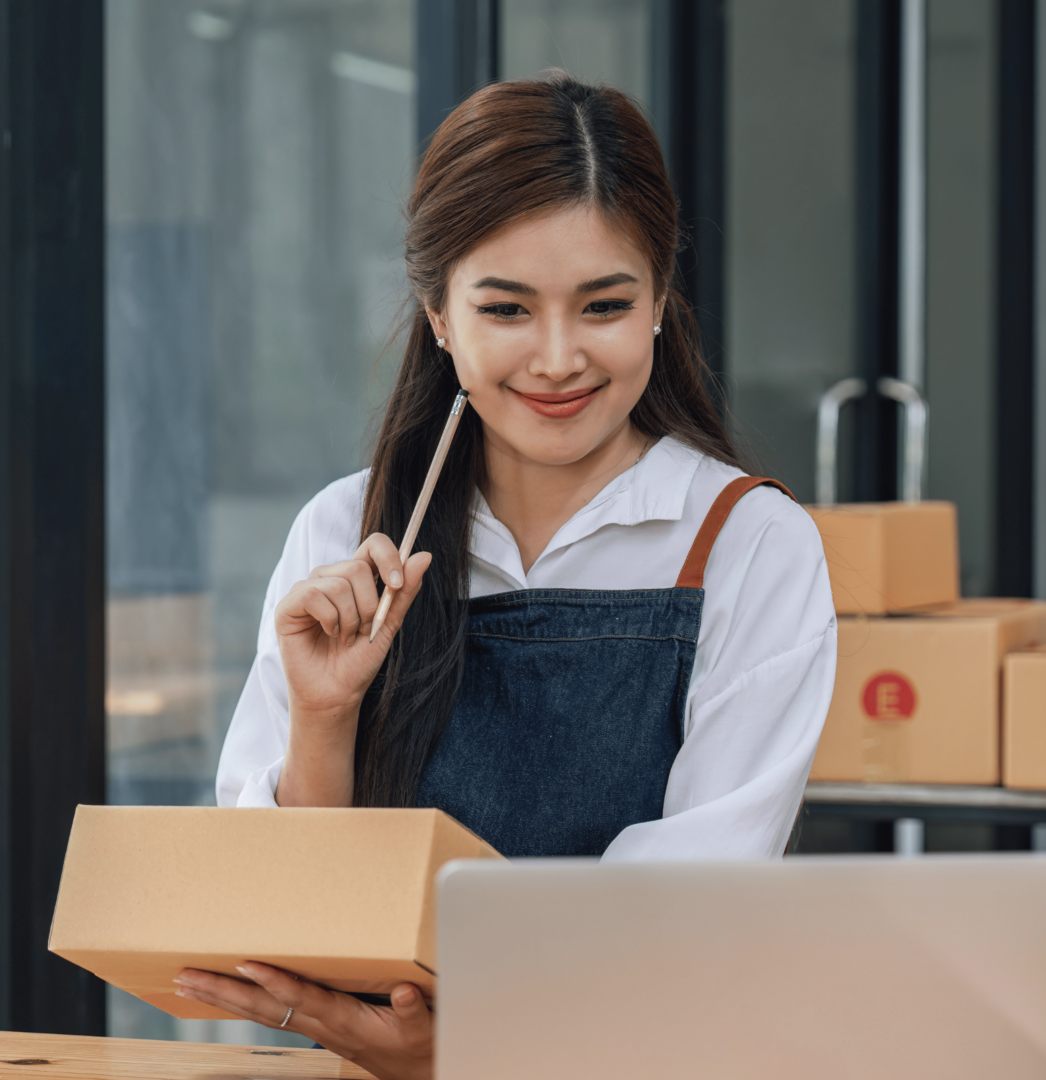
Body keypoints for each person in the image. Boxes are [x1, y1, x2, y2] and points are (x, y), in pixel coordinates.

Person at [174, 71, 836, 1080]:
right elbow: (279, 907)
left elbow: (697, 904)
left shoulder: (751, 544)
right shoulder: (343, 535)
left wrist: (472, 1044)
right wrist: (322, 718)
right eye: (508, 308)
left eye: (604, 304)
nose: (559, 357)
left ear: (659, 302)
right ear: (440, 316)